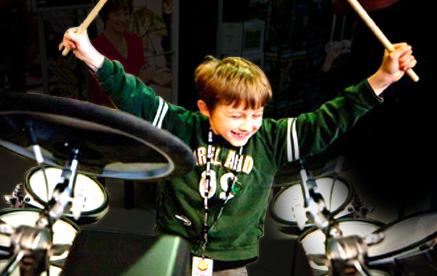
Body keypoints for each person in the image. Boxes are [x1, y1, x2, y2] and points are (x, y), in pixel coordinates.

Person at [60, 27, 416, 275]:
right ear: (205, 109)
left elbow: (326, 120)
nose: (247, 125)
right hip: (173, 246)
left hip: (233, 260)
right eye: (235, 115)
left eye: (256, 114)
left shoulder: (271, 138)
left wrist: (383, 78)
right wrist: (90, 53)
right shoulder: (183, 126)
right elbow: (132, 95)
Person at [90, 0, 171, 108]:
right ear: (106, 16)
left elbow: (141, 74)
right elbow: (101, 91)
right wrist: (139, 80)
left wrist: (153, 77)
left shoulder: (134, 40)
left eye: (126, 14)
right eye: (117, 15)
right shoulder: (96, 46)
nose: (123, 19)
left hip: (135, 103)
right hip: (109, 110)